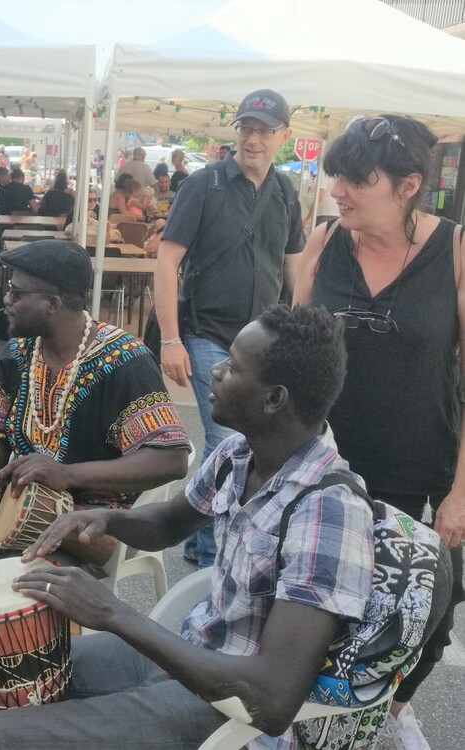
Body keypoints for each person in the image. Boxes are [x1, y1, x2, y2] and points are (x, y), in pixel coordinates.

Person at [0, 305, 378, 750]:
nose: (216, 371)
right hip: (189, 652)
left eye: (234, 367)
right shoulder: (239, 455)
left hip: (227, 712)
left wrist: (113, 613)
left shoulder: (327, 510)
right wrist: (107, 518)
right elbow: (168, 522)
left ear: (274, 399)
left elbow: (272, 700)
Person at [293, 113, 465, 749]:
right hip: (328, 465)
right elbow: (290, 350)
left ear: (408, 185)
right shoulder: (324, 241)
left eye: (355, 179)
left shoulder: (455, 252)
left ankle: (395, 707)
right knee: (327, 599)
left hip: (421, 464)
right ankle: (317, 715)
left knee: (431, 603)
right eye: (335, 175)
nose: (336, 190)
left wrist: (461, 492)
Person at [0, 240, 190, 560]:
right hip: (14, 497)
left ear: (52, 304)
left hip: (89, 518)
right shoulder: (17, 353)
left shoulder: (126, 362)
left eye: (16, 293)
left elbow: (171, 459)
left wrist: (68, 474)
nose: (6, 300)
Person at [155, 88, 302, 569]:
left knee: (243, 441)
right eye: (246, 128)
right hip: (208, 334)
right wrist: (170, 338)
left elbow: (295, 266)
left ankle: (199, 539)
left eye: (264, 130)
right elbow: (167, 260)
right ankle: (216, 558)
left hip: (263, 342)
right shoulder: (204, 185)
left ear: (284, 136)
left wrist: (301, 330)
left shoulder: (285, 192)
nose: (253, 139)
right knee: (227, 439)